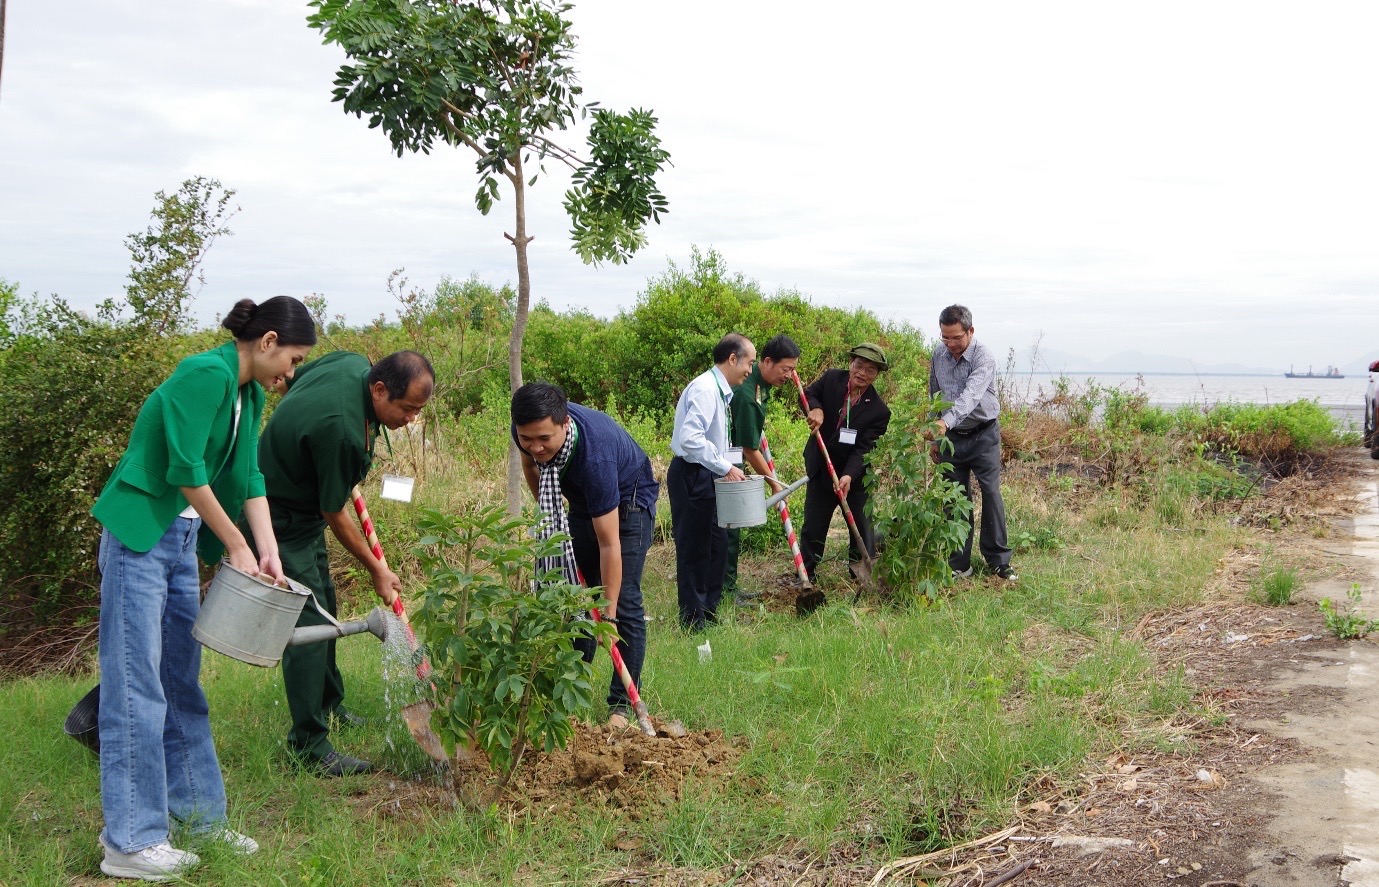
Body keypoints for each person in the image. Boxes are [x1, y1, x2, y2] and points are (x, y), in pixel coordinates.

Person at [91, 296, 316, 880]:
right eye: (291, 359)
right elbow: (185, 471)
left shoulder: (249, 394)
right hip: (141, 537)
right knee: (136, 685)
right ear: (267, 342)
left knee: (179, 682)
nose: (291, 372)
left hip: (183, 543)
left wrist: (265, 548)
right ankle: (131, 842)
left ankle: (199, 820)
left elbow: (249, 478)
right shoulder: (204, 374)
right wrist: (237, 548)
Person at [257, 349, 435, 776]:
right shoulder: (343, 433)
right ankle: (309, 745)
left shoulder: (351, 363)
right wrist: (377, 569)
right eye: (406, 408)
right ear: (378, 389)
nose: (411, 419)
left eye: (418, 411)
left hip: (300, 499)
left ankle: (329, 705)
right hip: (277, 512)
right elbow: (334, 511)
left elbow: (296, 379)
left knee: (326, 606)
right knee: (308, 621)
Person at [511, 382, 660, 728]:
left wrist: (607, 617)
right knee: (576, 597)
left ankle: (621, 705)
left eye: (544, 439)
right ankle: (569, 693)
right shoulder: (527, 427)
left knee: (623, 601)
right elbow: (531, 467)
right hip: (579, 497)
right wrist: (554, 517)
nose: (535, 446)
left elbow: (610, 544)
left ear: (564, 424)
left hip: (629, 496)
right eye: (527, 438)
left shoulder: (596, 458)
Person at [668, 333, 756, 631]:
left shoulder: (721, 391)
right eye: (749, 362)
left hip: (710, 472)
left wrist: (723, 467)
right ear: (733, 358)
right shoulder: (705, 389)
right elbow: (689, 439)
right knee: (695, 548)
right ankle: (693, 622)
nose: (750, 370)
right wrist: (724, 466)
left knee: (717, 545)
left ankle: (709, 612)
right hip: (693, 474)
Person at [927, 304, 1016, 581]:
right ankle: (959, 564)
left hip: (983, 434)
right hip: (951, 438)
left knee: (991, 494)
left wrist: (945, 422)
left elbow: (970, 397)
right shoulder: (938, 355)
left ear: (970, 331)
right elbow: (935, 393)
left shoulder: (984, 357)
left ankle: (998, 561)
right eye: (945, 337)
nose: (951, 344)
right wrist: (934, 431)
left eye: (956, 337)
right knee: (955, 498)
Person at [799, 344, 892, 590]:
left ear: (877, 375)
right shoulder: (832, 378)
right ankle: (806, 574)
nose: (862, 373)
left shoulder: (879, 411)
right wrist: (815, 408)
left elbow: (864, 448)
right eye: (858, 366)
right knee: (814, 524)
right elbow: (807, 394)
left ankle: (860, 574)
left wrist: (849, 475)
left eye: (870, 370)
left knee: (861, 525)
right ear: (850, 363)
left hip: (855, 476)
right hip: (822, 465)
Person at [724, 334, 801, 605]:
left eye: (793, 370)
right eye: (786, 369)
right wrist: (774, 482)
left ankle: (729, 586)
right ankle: (725, 590)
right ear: (767, 362)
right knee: (728, 527)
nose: (790, 376)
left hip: (735, 459)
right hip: (726, 462)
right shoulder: (746, 393)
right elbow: (748, 448)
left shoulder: (760, 384)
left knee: (733, 526)